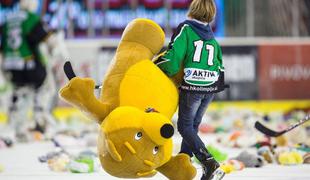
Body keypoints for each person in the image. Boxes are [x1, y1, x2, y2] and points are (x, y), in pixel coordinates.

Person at [154, 0, 228, 179]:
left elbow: (172, 61)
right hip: (210, 87)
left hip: (193, 86)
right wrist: (212, 86)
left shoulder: (185, 29)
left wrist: (155, 66)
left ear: (193, 9)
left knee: (185, 126)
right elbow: (220, 64)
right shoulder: (211, 36)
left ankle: (209, 162)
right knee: (192, 126)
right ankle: (184, 161)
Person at [0, 0, 67, 141]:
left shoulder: (7, 20)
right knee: (44, 91)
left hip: (11, 65)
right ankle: (40, 123)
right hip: (30, 64)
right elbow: (49, 40)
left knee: (20, 93)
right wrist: (58, 52)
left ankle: (17, 127)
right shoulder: (31, 18)